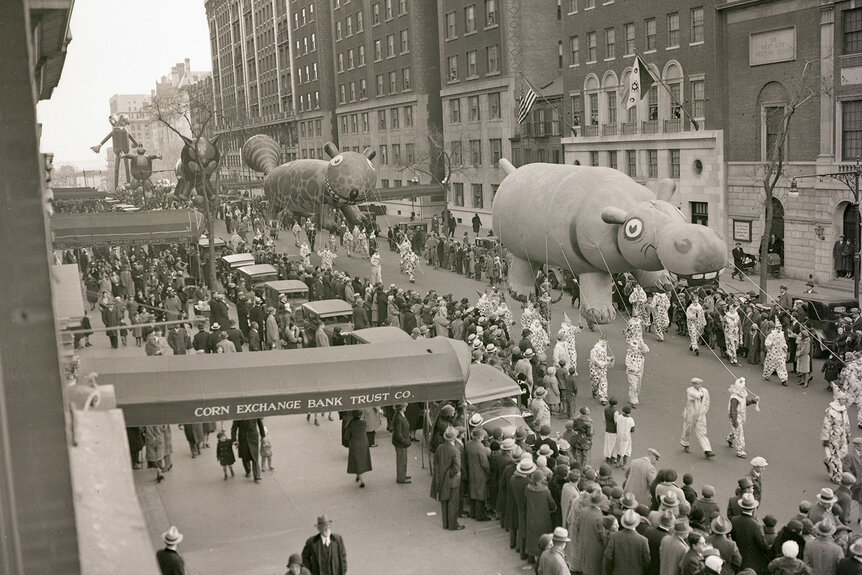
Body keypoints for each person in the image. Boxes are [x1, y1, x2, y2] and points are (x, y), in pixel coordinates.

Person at [433, 426, 464, 530]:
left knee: (444, 501)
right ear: (454, 438)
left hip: (441, 478)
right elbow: (456, 467)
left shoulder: (440, 447)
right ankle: (453, 525)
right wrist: (449, 474)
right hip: (452, 480)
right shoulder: (455, 450)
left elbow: (436, 462)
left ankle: (445, 524)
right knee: (453, 503)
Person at [731, 493, 770, 573]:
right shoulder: (756, 525)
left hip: (738, 559)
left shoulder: (734, 520)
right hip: (752, 563)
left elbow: (733, 537)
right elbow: (763, 545)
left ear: (742, 506)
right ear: (753, 508)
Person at [604, 508, 651, 575]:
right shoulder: (643, 540)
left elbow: (608, 557)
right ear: (636, 523)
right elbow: (646, 561)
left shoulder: (614, 537)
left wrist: (609, 572)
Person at [822, 389, 852, 484]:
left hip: (842, 436)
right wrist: (825, 438)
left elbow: (847, 423)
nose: (844, 401)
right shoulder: (830, 411)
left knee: (843, 454)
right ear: (838, 399)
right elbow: (826, 425)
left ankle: (828, 461)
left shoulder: (844, 409)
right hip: (833, 437)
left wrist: (848, 434)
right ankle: (836, 476)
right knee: (836, 457)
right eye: (842, 399)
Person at [681, 378, 715, 458]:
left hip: (701, 415)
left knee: (702, 432)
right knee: (687, 430)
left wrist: (704, 411)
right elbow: (695, 395)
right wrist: (700, 394)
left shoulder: (705, 391)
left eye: (699, 384)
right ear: (693, 384)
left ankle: (707, 450)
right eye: (696, 384)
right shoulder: (690, 390)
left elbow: (707, 401)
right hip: (691, 414)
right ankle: (685, 443)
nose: (698, 385)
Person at [727, 377, 759, 459]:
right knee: (740, 432)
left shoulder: (741, 394)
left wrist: (752, 401)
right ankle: (740, 450)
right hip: (736, 416)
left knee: (736, 430)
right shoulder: (734, 397)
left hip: (741, 416)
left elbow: (744, 403)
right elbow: (733, 410)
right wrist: (734, 420)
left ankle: (730, 438)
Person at [625, 316, 650, 408]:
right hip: (632, 363)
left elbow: (646, 350)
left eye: (638, 328)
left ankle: (635, 395)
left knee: (638, 383)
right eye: (635, 328)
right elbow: (631, 348)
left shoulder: (640, 340)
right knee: (633, 383)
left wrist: (643, 349)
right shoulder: (629, 340)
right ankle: (633, 400)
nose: (637, 330)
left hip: (640, 363)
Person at [231, 418, 265, 482]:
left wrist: (263, 436)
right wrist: (234, 440)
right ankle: (248, 470)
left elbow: (260, 424)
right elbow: (234, 428)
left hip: (253, 438)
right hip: (243, 439)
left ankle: (257, 476)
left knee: (255, 457)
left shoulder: (254, 411)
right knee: (245, 456)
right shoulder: (238, 414)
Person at [345, 410, 371, 488]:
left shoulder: (350, 425)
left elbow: (346, 437)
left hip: (354, 444)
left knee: (357, 460)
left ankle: (362, 480)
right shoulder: (364, 423)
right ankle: (358, 476)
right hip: (364, 443)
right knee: (361, 460)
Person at [391, 403, 412, 484]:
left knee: (403, 459)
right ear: (401, 408)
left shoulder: (400, 415)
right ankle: (400, 478)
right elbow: (398, 433)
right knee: (401, 460)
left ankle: (403, 474)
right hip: (400, 443)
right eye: (405, 406)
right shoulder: (399, 418)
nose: (406, 407)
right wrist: (405, 441)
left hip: (402, 442)